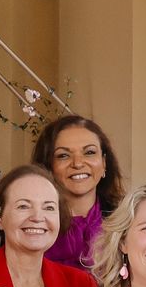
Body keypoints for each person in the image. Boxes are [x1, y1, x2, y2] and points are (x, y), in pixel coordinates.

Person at [31, 115, 125, 270]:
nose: (78, 163)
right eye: (63, 155)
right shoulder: (33, 225)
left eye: (89, 152)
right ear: (48, 166)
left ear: (104, 163)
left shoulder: (125, 225)